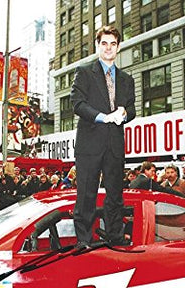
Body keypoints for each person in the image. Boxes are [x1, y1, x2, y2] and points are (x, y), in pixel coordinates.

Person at [70, 26, 136, 249]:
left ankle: (115, 234)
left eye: (113, 44)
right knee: (86, 193)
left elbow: (132, 109)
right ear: (98, 46)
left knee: (115, 194)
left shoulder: (127, 79)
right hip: (89, 143)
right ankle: (83, 239)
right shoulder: (85, 72)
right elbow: (77, 104)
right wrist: (102, 117)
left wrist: (124, 114)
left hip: (115, 144)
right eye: (104, 43)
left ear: (118, 47)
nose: (108, 48)